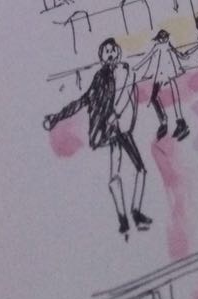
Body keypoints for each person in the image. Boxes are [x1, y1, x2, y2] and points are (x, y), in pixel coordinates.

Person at [43, 37, 151, 237]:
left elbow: (126, 94)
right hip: (113, 130)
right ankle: (125, 218)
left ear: (118, 51)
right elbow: (84, 100)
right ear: (101, 57)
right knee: (124, 172)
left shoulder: (126, 70)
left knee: (136, 170)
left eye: (112, 50)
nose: (110, 54)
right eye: (106, 52)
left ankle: (133, 214)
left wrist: (116, 115)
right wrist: (57, 117)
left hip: (122, 127)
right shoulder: (101, 77)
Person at [135, 29, 190, 142]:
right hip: (166, 75)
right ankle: (176, 122)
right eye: (163, 38)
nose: (165, 39)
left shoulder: (162, 46)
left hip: (164, 76)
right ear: (159, 39)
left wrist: (137, 67)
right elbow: (150, 57)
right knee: (165, 98)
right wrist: (183, 57)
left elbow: (148, 57)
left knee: (159, 98)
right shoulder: (164, 45)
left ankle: (168, 122)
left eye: (166, 37)